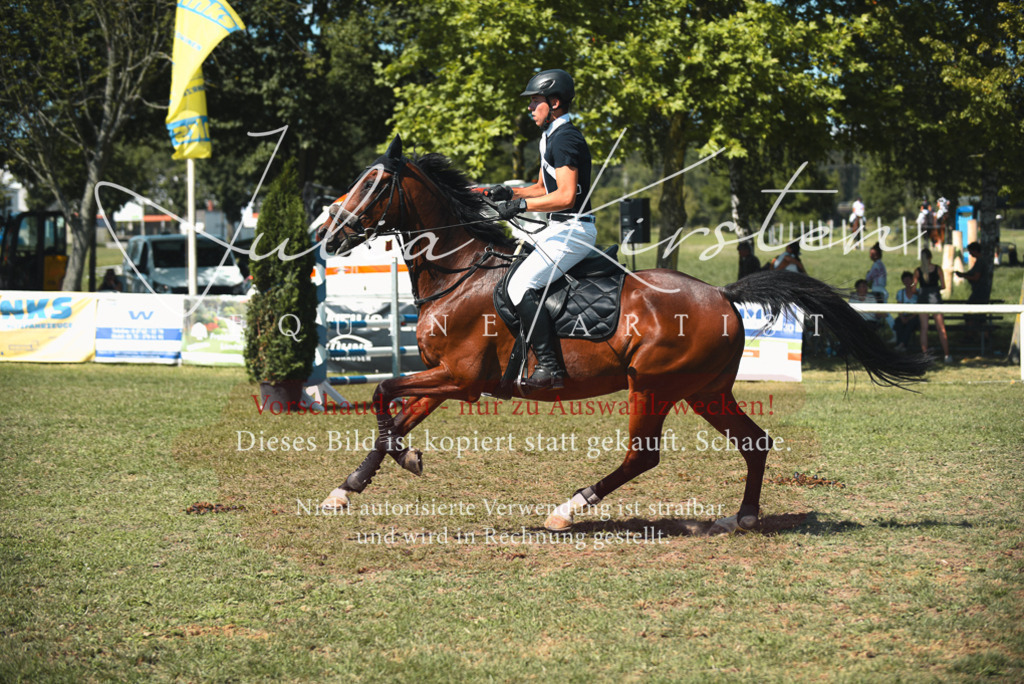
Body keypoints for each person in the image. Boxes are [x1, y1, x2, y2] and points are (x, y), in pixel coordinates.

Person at [487, 69, 595, 391]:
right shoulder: (549, 136)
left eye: (536, 101)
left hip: (573, 232)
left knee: (521, 285)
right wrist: (511, 193)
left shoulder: (565, 139)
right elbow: (542, 187)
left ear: (555, 102)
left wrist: (521, 207)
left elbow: (565, 196)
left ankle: (550, 367)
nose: (530, 107)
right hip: (558, 229)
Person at [914, 247, 951, 363]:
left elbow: (913, 288)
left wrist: (922, 291)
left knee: (924, 329)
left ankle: (925, 355)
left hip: (922, 300)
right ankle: (947, 355)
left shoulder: (918, 271)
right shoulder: (938, 269)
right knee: (941, 328)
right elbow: (943, 286)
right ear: (931, 257)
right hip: (935, 299)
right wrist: (935, 289)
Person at [955, 241, 993, 335]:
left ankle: (971, 333)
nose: (970, 253)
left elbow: (976, 277)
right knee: (980, 315)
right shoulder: (980, 261)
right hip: (980, 291)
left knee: (970, 312)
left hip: (979, 292)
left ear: (975, 250)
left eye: (970, 251)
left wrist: (963, 276)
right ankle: (981, 335)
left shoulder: (980, 262)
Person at [893, 270, 920, 351]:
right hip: (904, 315)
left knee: (910, 324)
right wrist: (902, 317)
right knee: (898, 322)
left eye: (909, 279)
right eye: (905, 280)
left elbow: (919, 308)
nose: (907, 282)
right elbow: (899, 307)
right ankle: (900, 344)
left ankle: (902, 344)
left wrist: (910, 317)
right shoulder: (900, 293)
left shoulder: (917, 293)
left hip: (914, 316)